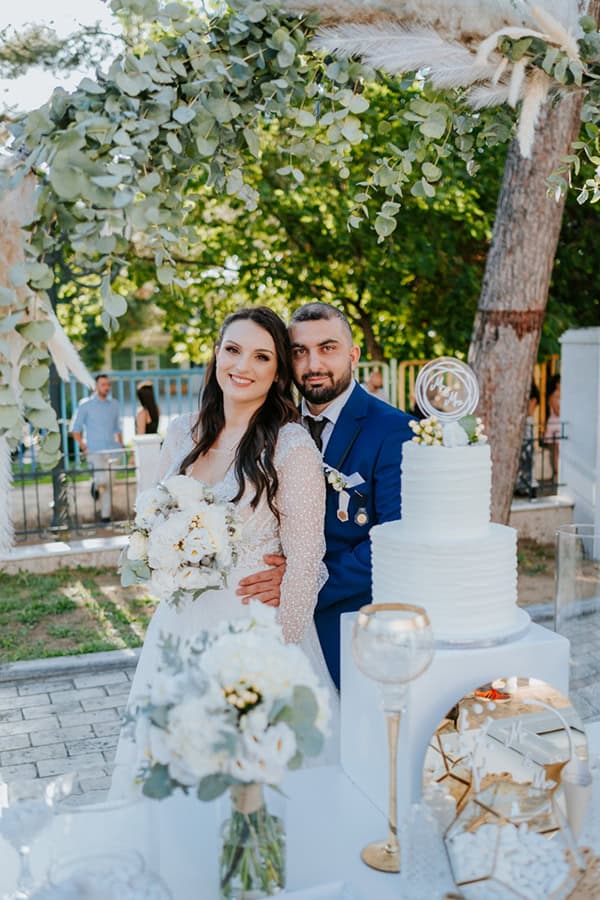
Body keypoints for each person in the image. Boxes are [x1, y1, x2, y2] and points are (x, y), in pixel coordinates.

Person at [113, 307, 338, 781]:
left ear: (277, 373)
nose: (242, 366)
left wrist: (278, 654)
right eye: (232, 350)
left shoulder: (290, 446)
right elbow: (153, 520)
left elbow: (305, 559)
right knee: (177, 763)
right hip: (181, 625)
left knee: (251, 774)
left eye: (261, 357)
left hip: (254, 633)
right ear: (216, 354)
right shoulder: (181, 433)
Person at [238, 302, 414, 688]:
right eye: (299, 351)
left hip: (344, 625)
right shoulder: (270, 426)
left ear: (353, 355)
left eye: (327, 348)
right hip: (265, 616)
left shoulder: (395, 431)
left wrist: (301, 583)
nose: (313, 363)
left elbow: (393, 542)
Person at [70, 373, 123, 523]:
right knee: (101, 480)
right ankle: (95, 485)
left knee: (109, 485)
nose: (106, 387)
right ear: (96, 386)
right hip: (94, 450)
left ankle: (105, 516)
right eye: (103, 384)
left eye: (108, 385)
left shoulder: (114, 404)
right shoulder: (85, 405)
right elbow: (75, 428)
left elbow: (117, 428)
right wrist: (83, 447)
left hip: (112, 450)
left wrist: (121, 447)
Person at [543, 373, 561, 482]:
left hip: (560, 423)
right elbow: (557, 411)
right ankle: (556, 473)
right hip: (555, 424)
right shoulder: (553, 396)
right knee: (556, 451)